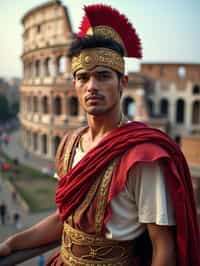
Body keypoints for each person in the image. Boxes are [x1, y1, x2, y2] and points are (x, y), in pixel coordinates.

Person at [0, 4, 199, 266]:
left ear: (122, 83)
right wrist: (12, 243)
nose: (92, 86)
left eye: (103, 76)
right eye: (83, 77)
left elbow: (163, 246)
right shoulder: (70, 144)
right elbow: (63, 219)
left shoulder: (142, 156)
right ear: (75, 86)